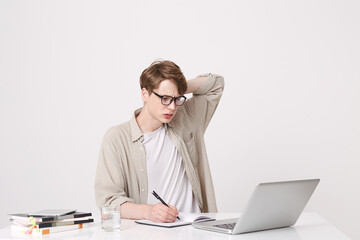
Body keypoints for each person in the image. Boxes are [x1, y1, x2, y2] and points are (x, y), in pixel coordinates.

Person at [95, 60, 224, 223]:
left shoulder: (186, 118)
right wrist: (149, 212)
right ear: (145, 94)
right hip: (153, 232)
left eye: (177, 98)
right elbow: (108, 202)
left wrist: (178, 86)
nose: (172, 107)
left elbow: (216, 84)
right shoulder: (116, 138)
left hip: (198, 229)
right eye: (165, 98)